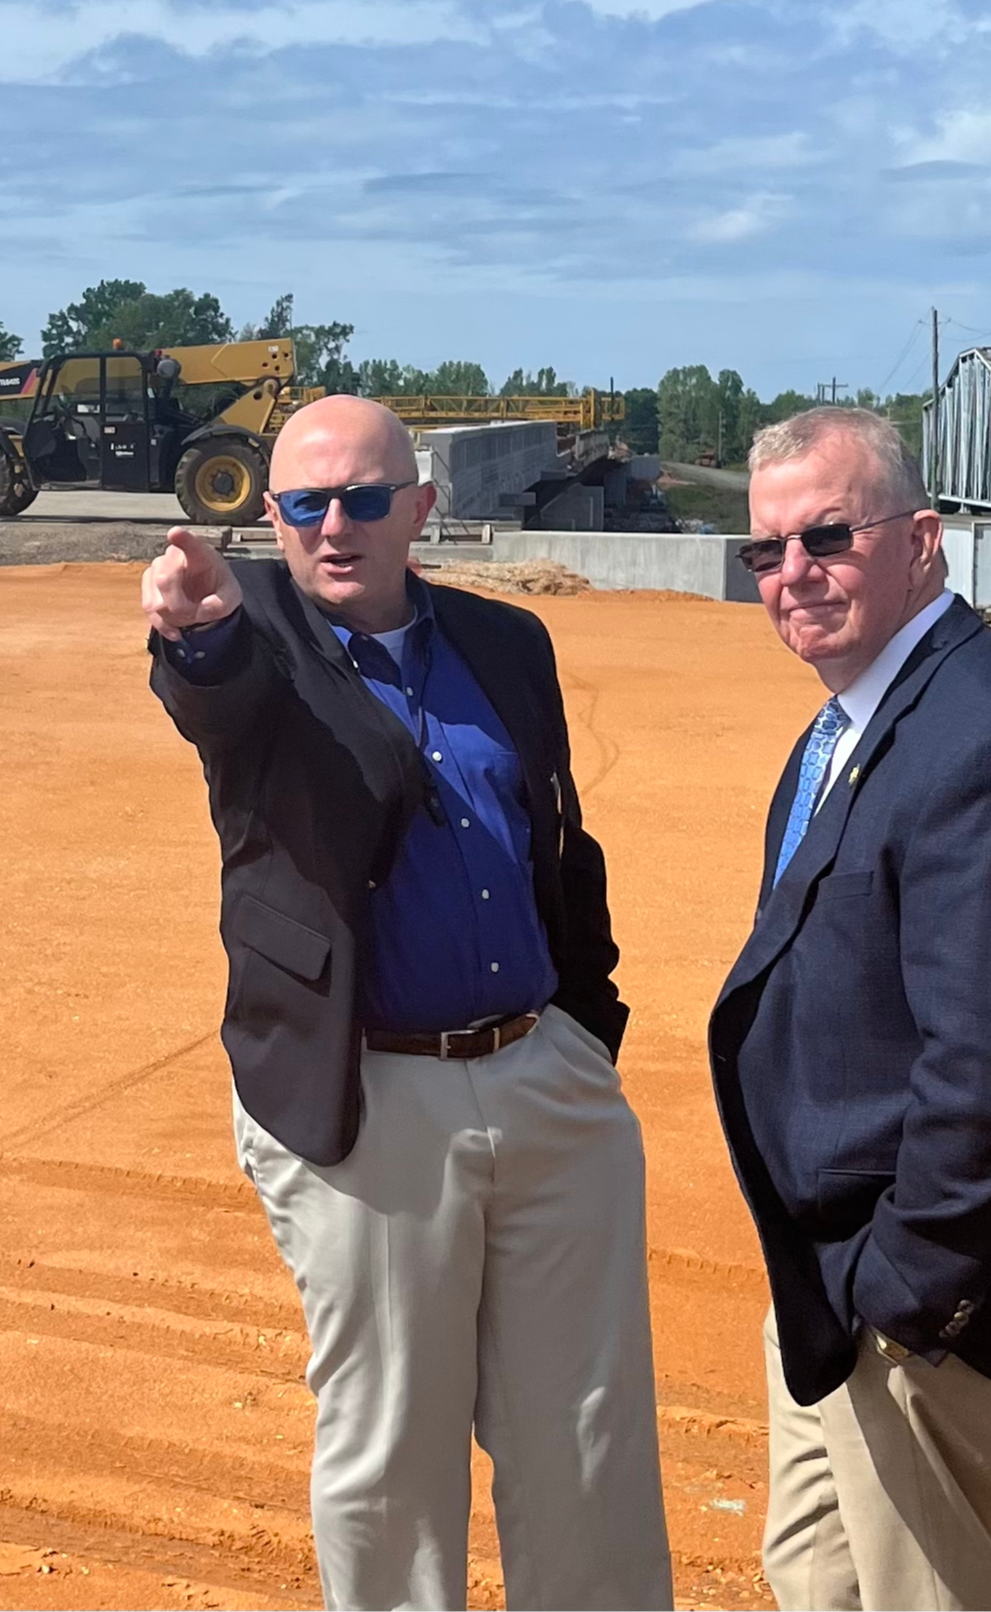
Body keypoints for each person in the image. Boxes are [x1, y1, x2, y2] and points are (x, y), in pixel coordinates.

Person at [142, 395, 672, 1612]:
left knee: (586, 1434)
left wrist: (586, 1030)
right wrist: (195, 634)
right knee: (391, 1454)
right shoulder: (253, 630)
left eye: (365, 499)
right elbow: (208, 693)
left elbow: (556, 840)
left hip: (546, 1077)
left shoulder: (507, 642)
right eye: (306, 504)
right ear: (269, 515)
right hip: (369, 1100)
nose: (336, 526)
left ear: (422, 506)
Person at [707, 407, 991, 1612]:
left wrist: (909, 1296)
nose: (792, 574)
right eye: (766, 550)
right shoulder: (856, 721)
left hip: (928, 1293)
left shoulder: (983, 745)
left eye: (827, 538)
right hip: (841, 1271)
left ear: (922, 542)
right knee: (820, 1580)